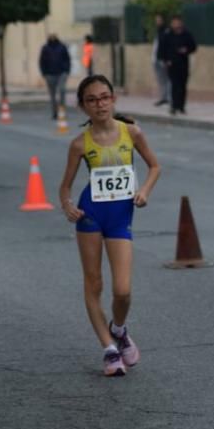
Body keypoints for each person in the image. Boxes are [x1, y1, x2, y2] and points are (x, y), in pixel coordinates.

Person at [57, 75, 162, 376]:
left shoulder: (131, 133)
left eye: (104, 97)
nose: (100, 104)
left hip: (120, 216)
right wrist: (68, 206)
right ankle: (108, 349)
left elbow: (155, 166)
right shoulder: (79, 144)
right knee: (94, 284)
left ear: (113, 99)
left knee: (122, 290)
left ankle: (118, 328)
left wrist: (144, 191)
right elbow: (64, 187)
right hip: (90, 216)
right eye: (92, 100)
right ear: (83, 107)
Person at [160, 15, 196, 116]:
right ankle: (174, 106)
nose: (176, 24)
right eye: (174, 22)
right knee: (174, 85)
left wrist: (186, 50)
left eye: (177, 22)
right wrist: (166, 60)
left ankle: (181, 106)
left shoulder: (186, 34)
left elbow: (193, 46)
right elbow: (162, 48)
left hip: (183, 64)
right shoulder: (168, 34)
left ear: (181, 23)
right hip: (172, 64)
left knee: (182, 86)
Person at [39, 35, 72, 119]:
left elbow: (67, 59)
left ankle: (62, 111)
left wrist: (67, 70)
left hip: (61, 73)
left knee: (62, 90)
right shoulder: (45, 48)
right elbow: (41, 61)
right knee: (52, 95)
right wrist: (44, 73)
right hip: (50, 74)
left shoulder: (62, 47)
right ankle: (55, 113)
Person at [151, 15, 170, 107]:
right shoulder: (158, 31)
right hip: (156, 59)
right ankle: (163, 97)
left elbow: (167, 46)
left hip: (163, 59)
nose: (157, 22)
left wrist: (166, 59)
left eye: (159, 20)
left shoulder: (166, 31)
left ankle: (168, 98)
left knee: (167, 79)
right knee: (160, 80)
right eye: (156, 20)